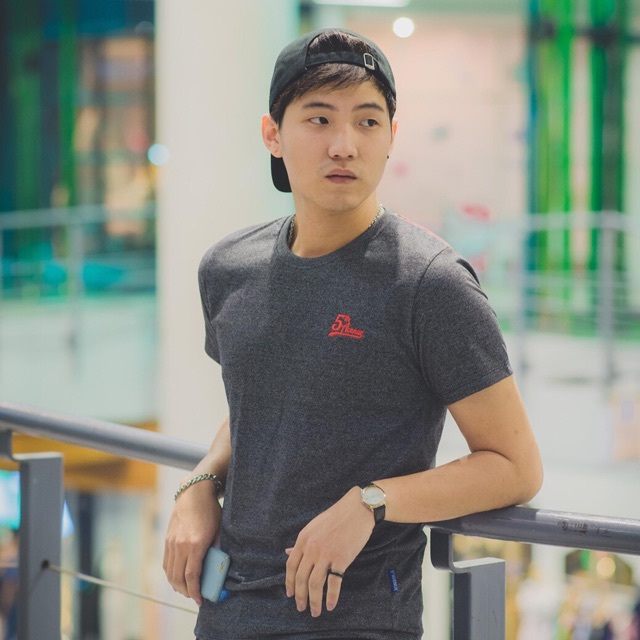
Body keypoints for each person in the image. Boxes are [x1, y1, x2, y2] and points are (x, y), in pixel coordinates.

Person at [163, 27, 543, 640]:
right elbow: (263, 402)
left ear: (392, 136)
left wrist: (372, 501)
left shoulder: (430, 284)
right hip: (228, 608)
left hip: (358, 616)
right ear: (272, 134)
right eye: (319, 119)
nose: (344, 145)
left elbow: (514, 466)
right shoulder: (229, 268)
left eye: (367, 122)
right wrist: (203, 480)